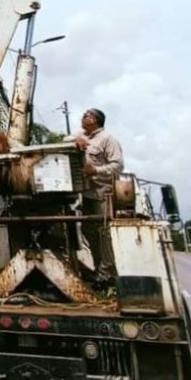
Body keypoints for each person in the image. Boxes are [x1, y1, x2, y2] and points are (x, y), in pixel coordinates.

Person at [68, 108, 124, 283]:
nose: (83, 117)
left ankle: (108, 273)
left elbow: (118, 165)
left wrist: (96, 170)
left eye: (87, 115)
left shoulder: (108, 139)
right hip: (87, 194)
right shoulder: (83, 136)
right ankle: (100, 269)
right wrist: (76, 138)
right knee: (88, 231)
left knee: (104, 232)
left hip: (103, 193)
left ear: (96, 120)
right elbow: (66, 140)